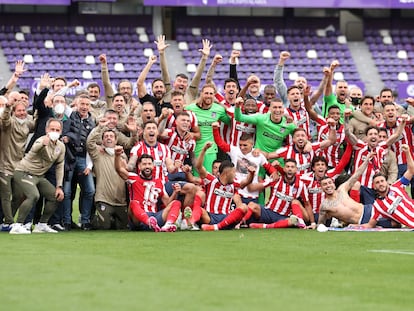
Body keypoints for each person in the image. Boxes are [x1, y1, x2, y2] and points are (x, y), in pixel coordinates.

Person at [10, 118, 65, 234]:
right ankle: (18, 225)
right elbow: (35, 148)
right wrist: (42, 145)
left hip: (39, 176)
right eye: (52, 129)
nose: (54, 132)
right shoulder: (41, 140)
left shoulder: (61, 146)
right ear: (46, 130)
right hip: (23, 172)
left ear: (61, 132)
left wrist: (59, 186)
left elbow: (60, 166)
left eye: (57, 130)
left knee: (55, 196)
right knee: (33, 195)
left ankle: (42, 224)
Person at [317, 151, 392, 228]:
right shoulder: (324, 205)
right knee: (393, 224)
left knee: (394, 213)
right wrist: (314, 224)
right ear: (321, 188)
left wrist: (366, 161)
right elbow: (320, 224)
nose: (328, 186)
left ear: (333, 184)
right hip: (362, 221)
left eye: (329, 183)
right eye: (325, 184)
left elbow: (357, 174)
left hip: (369, 209)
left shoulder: (342, 189)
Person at [190, 142, 254, 231]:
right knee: (199, 210)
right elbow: (199, 167)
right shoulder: (211, 181)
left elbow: (246, 182)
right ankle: (191, 223)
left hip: (226, 218)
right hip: (210, 216)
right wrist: (204, 150)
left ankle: (217, 227)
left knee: (244, 207)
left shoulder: (233, 185)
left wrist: (252, 173)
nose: (235, 175)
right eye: (233, 172)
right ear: (227, 173)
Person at [114, 149, 182, 232]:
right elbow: (119, 170)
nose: (147, 166)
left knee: (176, 203)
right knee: (133, 203)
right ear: (139, 166)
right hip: (138, 219)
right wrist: (117, 156)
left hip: (155, 216)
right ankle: (149, 222)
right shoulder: (134, 178)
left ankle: (168, 225)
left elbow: (168, 204)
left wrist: (175, 193)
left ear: (153, 166)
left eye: (149, 164)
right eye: (144, 164)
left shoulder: (159, 182)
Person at [0, 97, 35, 231]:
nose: (22, 112)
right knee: (5, 195)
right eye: (19, 110)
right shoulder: (9, 122)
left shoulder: (27, 123)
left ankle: (9, 220)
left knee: (19, 195)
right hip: (5, 165)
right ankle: (8, 222)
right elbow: (5, 119)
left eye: (23, 110)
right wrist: (8, 106)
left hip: (19, 166)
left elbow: (38, 119)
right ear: (14, 112)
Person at [62, 94, 95, 230]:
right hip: (69, 158)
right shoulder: (70, 116)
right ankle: (67, 221)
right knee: (67, 192)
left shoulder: (92, 122)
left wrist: (89, 165)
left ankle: (85, 221)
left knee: (90, 190)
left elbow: (91, 146)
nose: (85, 107)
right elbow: (58, 98)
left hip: (83, 159)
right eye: (82, 104)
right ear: (76, 104)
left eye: (87, 104)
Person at [247, 158, 311, 229]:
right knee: (251, 205)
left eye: (292, 167)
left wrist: (313, 223)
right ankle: (240, 223)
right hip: (268, 212)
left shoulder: (301, 185)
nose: (290, 169)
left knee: (293, 220)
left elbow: (307, 204)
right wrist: (251, 175)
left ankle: (265, 226)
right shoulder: (276, 179)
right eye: (287, 167)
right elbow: (252, 188)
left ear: (296, 169)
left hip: (283, 216)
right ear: (284, 169)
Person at [362, 145, 414, 228]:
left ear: (386, 182)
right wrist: (352, 226)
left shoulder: (397, 186)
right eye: (377, 183)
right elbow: (370, 225)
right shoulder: (377, 206)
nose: (381, 184)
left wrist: (407, 152)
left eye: (382, 181)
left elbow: (411, 170)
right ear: (374, 187)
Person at [87, 129, 128, 230]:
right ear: (102, 141)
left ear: (116, 140)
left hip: (120, 201)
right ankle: (92, 220)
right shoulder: (98, 154)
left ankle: (113, 219)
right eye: (106, 136)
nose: (109, 138)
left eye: (111, 136)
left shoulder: (122, 155)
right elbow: (89, 143)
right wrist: (100, 127)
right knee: (105, 227)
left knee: (122, 228)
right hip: (104, 199)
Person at [186, 84, 231, 174]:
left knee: (208, 176)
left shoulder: (219, 109)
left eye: (211, 93)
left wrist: (225, 106)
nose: (209, 96)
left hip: (211, 148)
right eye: (206, 93)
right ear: (201, 94)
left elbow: (231, 121)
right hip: (195, 148)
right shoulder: (190, 108)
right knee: (197, 177)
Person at [157, 35, 212, 105]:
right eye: (179, 81)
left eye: (184, 82)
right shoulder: (168, 92)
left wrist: (204, 58)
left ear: (187, 85)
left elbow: (197, 77)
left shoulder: (191, 93)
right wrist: (161, 53)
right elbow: (164, 73)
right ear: (174, 83)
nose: (181, 84)